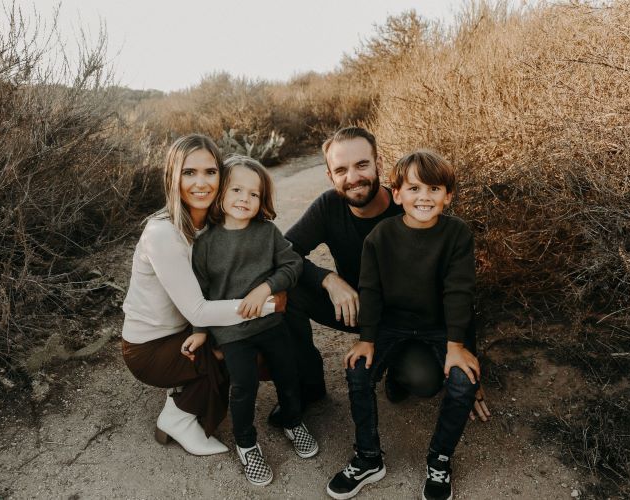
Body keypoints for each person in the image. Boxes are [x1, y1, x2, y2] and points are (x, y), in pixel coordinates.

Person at [271, 127, 490, 426]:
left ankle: (397, 370)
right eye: (341, 170)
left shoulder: (413, 209)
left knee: (424, 381)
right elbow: (284, 252)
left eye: (362, 165)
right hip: (359, 308)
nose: (353, 178)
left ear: (378, 164)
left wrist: (468, 365)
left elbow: (457, 291)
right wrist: (327, 278)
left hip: (410, 320)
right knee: (287, 289)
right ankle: (309, 386)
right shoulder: (328, 206)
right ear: (330, 176)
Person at [327, 150, 478, 500]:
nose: (424, 197)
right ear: (397, 194)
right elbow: (371, 290)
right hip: (391, 325)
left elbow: (460, 291)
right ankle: (368, 457)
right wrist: (366, 339)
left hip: (438, 327)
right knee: (358, 370)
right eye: (413, 189)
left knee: (463, 379)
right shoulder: (380, 237)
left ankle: (439, 459)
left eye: (434, 189)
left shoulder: (456, 234)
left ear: (448, 195)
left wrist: (456, 346)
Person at [121, 135, 282, 457]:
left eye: (210, 172)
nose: (201, 183)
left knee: (254, 341)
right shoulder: (162, 233)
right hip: (150, 347)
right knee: (245, 354)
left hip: (185, 333)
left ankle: (189, 388)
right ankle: (177, 417)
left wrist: (275, 282)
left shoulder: (211, 224)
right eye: (189, 172)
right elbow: (198, 311)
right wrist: (266, 306)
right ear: (172, 178)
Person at [189, 155, 318, 486]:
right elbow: (199, 293)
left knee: (289, 373)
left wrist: (266, 287)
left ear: (263, 200)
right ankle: (246, 443)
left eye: (254, 194)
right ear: (220, 194)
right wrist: (202, 331)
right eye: (236, 190)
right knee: (243, 385)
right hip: (231, 333)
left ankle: (292, 420)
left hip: (271, 325)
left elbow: (292, 265)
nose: (244, 199)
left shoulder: (267, 232)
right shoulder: (205, 244)